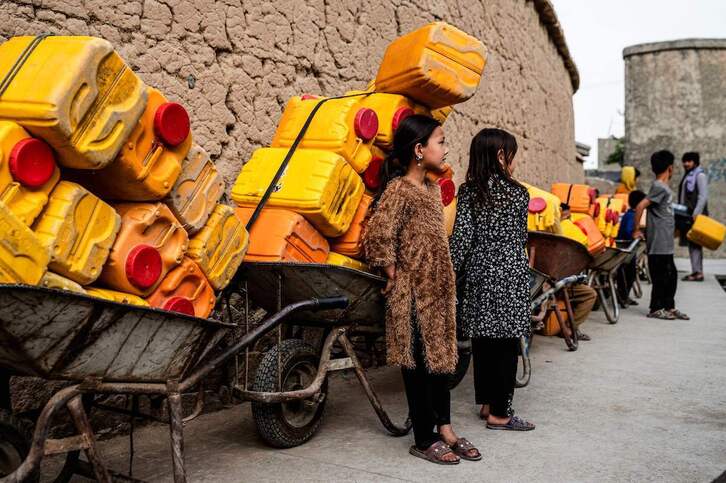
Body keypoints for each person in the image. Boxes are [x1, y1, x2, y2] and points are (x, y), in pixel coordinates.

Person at [362, 115, 481, 465]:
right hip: (413, 291)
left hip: (439, 290)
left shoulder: (430, 189)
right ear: (419, 149)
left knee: (441, 361)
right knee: (418, 364)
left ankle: (444, 427)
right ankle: (424, 437)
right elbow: (378, 234)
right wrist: (392, 271)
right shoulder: (400, 189)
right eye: (440, 141)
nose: (446, 148)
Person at [449, 128, 535, 431]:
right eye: (511, 156)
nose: (514, 162)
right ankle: (500, 413)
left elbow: (461, 240)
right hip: (509, 274)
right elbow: (519, 238)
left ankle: (486, 403)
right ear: (501, 156)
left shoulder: (469, 191)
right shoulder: (518, 193)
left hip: (479, 275)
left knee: (483, 341)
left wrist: (448, 273)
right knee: (506, 345)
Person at [633, 150, 689, 320]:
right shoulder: (659, 187)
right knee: (660, 276)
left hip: (665, 241)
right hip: (658, 242)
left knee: (670, 275)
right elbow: (640, 206)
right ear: (670, 168)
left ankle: (669, 306)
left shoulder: (662, 188)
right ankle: (656, 308)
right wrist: (636, 230)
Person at [558, 203, 597, 340]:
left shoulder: (539, 225)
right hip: (559, 282)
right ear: (567, 214)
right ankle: (569, 328)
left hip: (540, 280)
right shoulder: (573, 230)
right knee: (590, 294)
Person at [678, 152, 709, 282]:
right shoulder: (689, 175)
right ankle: (697, 271)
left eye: (689, 161)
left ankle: (697, 272)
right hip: (688, 215)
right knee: (693, 244)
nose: (686, 164)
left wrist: (696, 214)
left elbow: (703, 196)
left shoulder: (699, 175)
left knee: (695, 244)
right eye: (684, 161)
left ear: (695, 162)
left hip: (695, 216)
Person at [616, 190, 647, 306]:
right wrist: (637, 234)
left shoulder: (630, 214)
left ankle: (624, 296)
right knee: (627, 275)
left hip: (629, 251)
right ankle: (622, 297)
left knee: (630, 274)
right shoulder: (631, 217)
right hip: (625, 251)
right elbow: (630, 232)